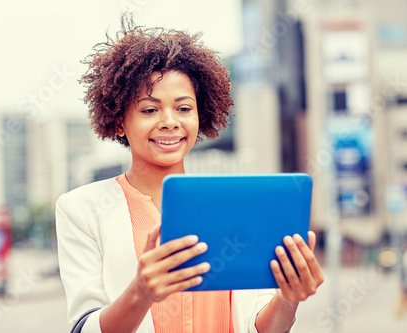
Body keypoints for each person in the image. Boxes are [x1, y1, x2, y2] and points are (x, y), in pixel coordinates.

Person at [56, 16, 324, 333]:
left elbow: (261, 327)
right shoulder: (80, 209)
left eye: (183, 108)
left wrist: (288, 299)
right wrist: (140, 292)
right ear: (118, 121)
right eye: (149, 109)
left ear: (201, 114)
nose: (170, 121)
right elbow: (84, 327)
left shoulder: (236, 204)